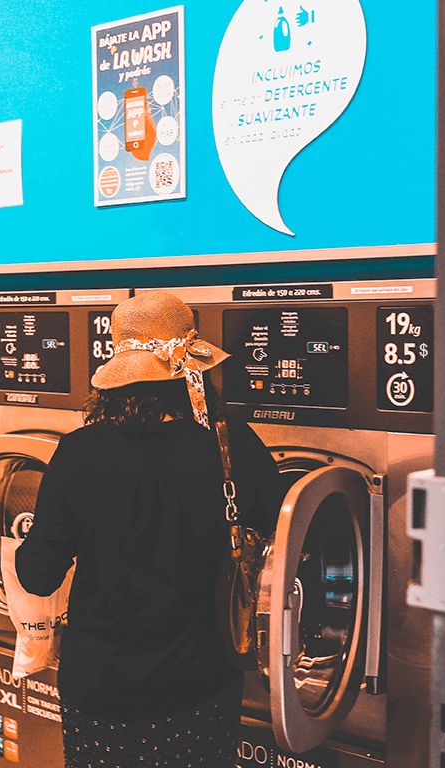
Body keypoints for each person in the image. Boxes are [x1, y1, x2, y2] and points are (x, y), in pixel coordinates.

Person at [15, 291, 283, 768]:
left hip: (102, 686)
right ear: (191, 369)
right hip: (201, 680)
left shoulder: (79, 453)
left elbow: (39, 576)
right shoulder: (230, 442)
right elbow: (277, 534)